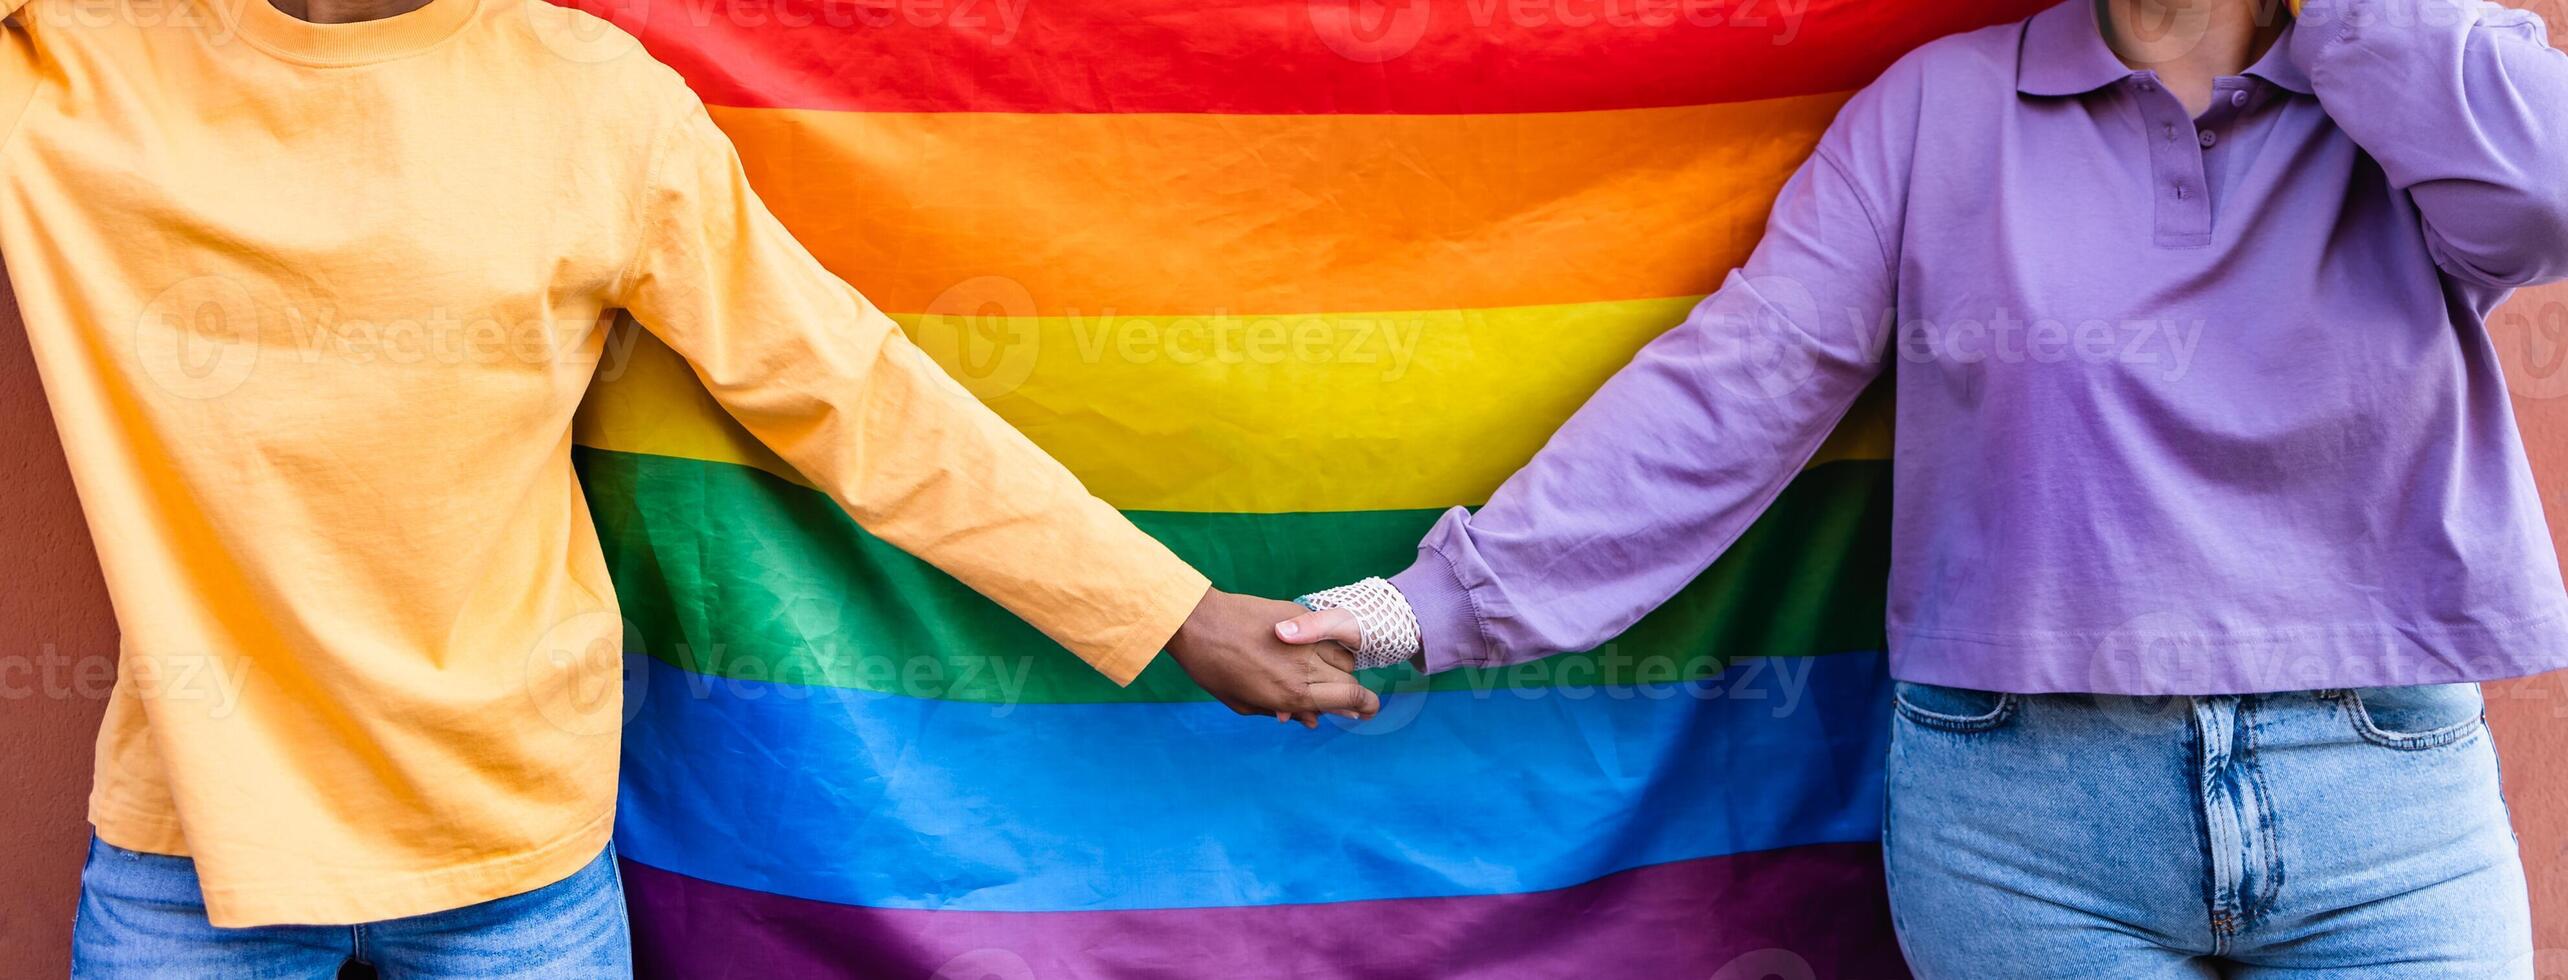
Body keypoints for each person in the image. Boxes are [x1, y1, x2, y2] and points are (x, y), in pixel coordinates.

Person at [0, 0, 1374, 972]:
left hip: (514, 858)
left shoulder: (594, 100)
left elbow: (853, 394)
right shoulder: (71, 73)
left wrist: (1171, 610)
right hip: (190, 845)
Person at [1278, 0, 2568, 975]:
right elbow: (1735, 390)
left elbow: (2549, 197)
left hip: (2384, 799)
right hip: (2027, 819)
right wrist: (1428, 605)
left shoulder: (2411, 93)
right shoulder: (1938, 109)